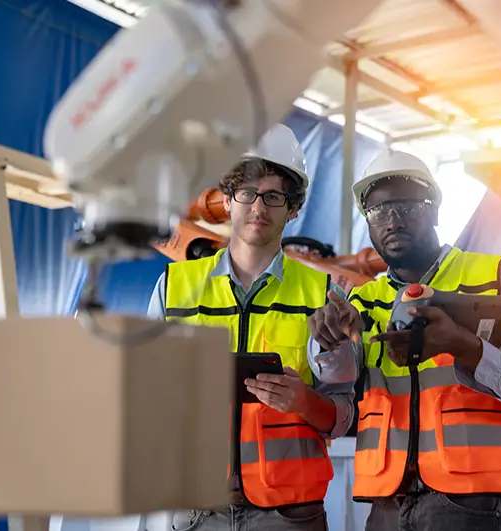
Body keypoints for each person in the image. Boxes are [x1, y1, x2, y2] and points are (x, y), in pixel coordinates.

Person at [308, 150, 501, 531]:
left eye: (408, 206)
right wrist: (327, 343)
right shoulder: (360, 302)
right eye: (378, 210)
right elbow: (339, 384)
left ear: (437, 212)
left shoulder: (494, 278)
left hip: (473, 505)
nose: (392, 219)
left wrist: (466, 349)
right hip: (386, 505)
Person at [147, 124, 353, 531]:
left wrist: (303, 402)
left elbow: (344, 416)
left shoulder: (324, 295)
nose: (259, 207)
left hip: (289, 514)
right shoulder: (174, 287)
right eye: (247, 192)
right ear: (227, 200)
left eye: (274, 196)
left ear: (293, 208)